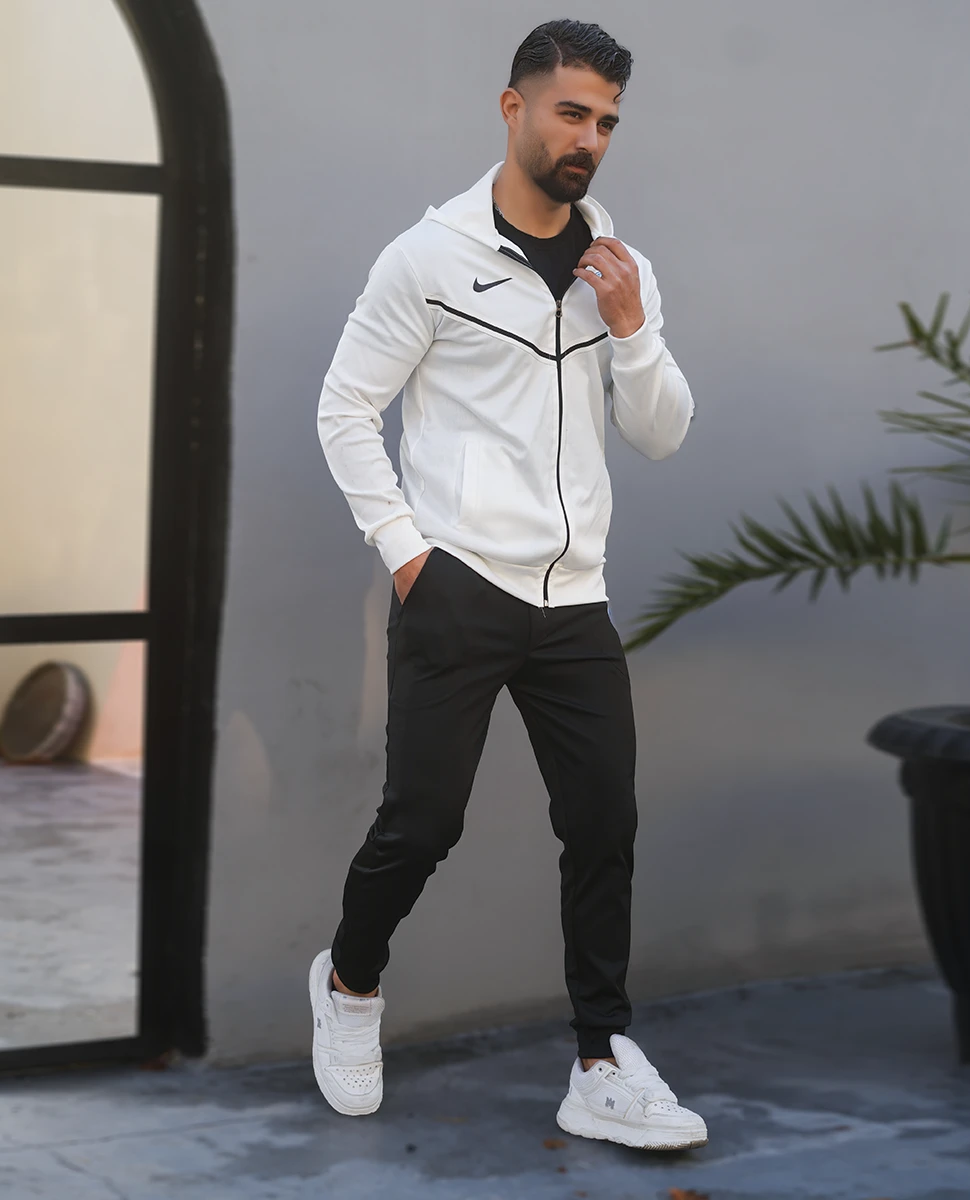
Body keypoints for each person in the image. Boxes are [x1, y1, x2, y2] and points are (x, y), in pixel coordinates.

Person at [311, 18, 706, 1150]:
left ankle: (600, 1060)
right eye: (572, 113)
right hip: (461, 584)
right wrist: (408, 555)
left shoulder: (619, 271)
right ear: (514, 107)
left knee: (604, 823)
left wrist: (632, 330)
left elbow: (662, 434)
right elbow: (345, 408)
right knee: (423, 822)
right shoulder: (428, 258)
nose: (590, 139)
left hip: (574, 598)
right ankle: (348, 984)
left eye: (607, 122)